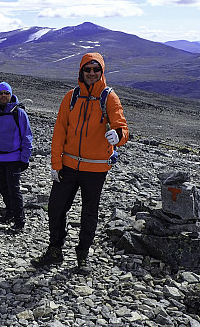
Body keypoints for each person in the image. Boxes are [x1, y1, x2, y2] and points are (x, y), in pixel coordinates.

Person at [31, 52, 129, 275]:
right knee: (56, 208)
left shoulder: (109, 98)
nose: (92, 73)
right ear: (81, 72)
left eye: (96, 69)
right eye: (88, 69)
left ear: (102, 72)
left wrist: (119, 135)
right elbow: (59, 132)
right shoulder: (71, 97)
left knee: (89, 213)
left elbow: (121, 126)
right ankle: (55, 250)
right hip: (68, 166)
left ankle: (83, 254)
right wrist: (56, 164)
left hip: (95, 169)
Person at [0, 82, 33, 233]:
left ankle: (20, 221)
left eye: (6, 93)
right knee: (3, 188)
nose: (3, 96)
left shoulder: (19, 113)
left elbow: (27, 137)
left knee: (14, 190)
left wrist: (25, 159)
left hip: (13, 158)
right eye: (0, 93)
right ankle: (10, 212)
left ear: (11, 94)